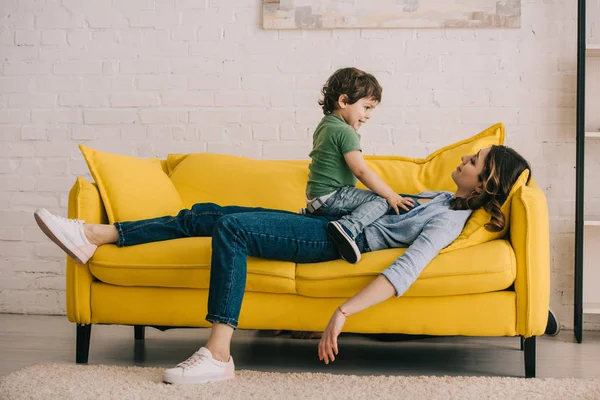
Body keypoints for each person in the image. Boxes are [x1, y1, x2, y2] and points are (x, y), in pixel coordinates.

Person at [34, 145, 530, 384]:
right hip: (319, 225)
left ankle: (219, 355)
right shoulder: (441, 196)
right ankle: (97, 235)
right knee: (208, 213)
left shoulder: (446, 220)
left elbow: (405, 270)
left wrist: (344, 312)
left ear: (485, 182)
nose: (465, 157)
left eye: (475, 159)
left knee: (230, 230)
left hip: (327, 244)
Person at [303, 67, 415, 264]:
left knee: (371, 205)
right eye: (366, 107)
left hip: (315, 198)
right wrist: (390, 194)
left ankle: (318, 216)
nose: (369, 115)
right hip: (334, 195)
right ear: (344, 101)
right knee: (382, 201)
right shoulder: (345, 132)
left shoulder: (325, 125)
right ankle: (348, 228)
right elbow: (361, 170)